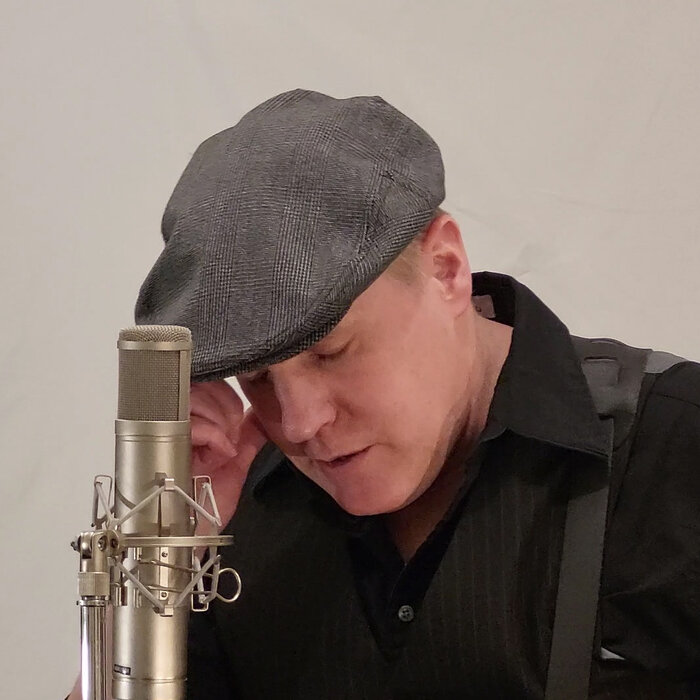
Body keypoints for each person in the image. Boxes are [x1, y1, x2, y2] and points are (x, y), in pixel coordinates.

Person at [70, 89, 700, 699]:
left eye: (332, 352)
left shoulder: (677, 452)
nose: (301, 423)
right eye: (257, 375)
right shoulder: (229, 507)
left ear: (445, 269)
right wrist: (156, 559)